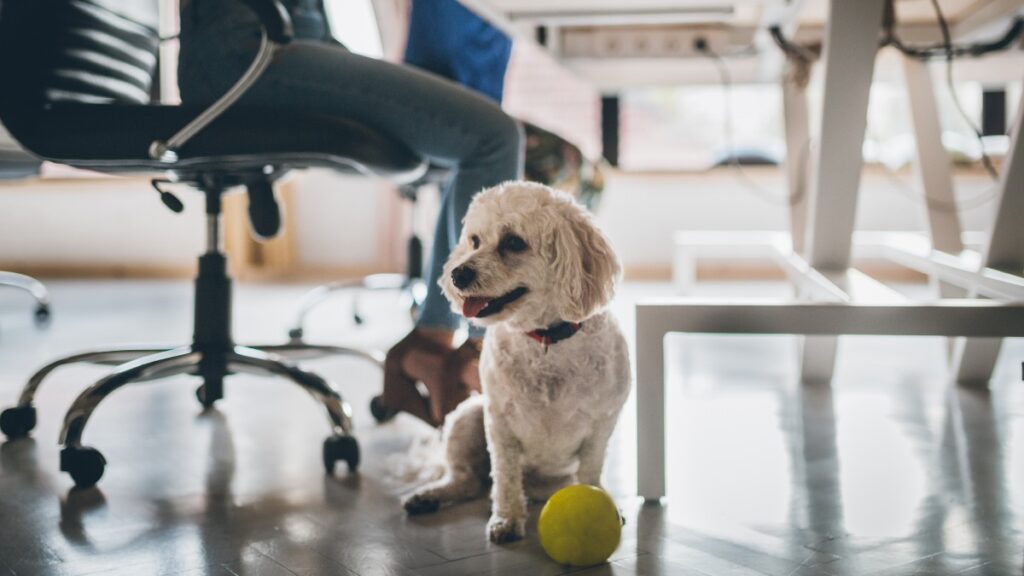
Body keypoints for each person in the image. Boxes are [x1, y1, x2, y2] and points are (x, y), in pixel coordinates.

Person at [178, 0, 523, 427]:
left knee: (472, 136)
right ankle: (482, 357)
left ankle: (435, 343)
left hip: (274, 43)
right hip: (251, 52)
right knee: (492, 137)